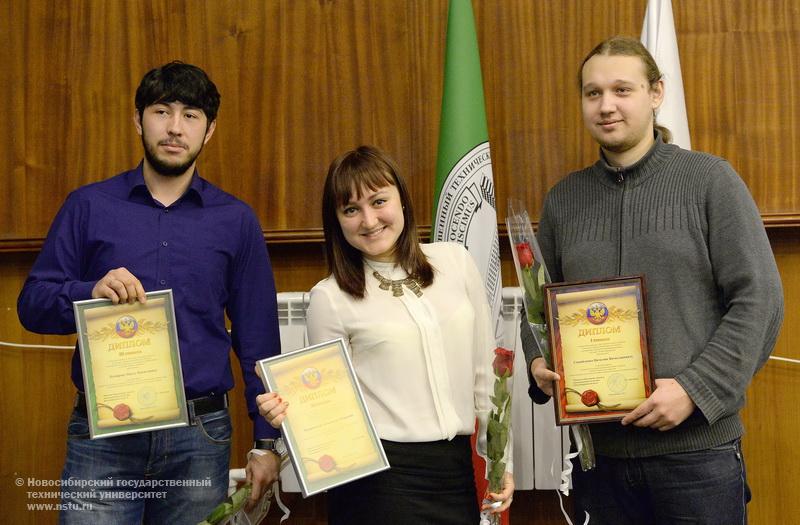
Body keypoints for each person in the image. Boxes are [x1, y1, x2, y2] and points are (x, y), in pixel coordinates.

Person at [520, 35, 784, 524]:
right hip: (599, 462)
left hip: (696, 461)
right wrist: (538, 358)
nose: (606, 105)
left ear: (656, 93)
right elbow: (537, 308)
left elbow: (760, 302)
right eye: (592, 93)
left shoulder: (710, 181)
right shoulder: (563, 200)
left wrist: (693, 389)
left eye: (622, 90)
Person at [17, 61, 283, 524]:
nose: (175, 128)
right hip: (104, 436)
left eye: (191, 115)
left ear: (210, 130)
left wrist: (266, 444)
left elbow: (257, 336)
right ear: (137, 120)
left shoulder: (236, 220)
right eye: (162, 111)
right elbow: (32, 304)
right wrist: (87, 291)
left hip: (199, 437)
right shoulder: (88, 206)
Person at [257, 145, 514, 524]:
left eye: (379, 201)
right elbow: (328, 410)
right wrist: (289, 416)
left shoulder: (455, 261)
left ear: (402, 201)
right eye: (351, 209)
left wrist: (499, 461)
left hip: (455, 473)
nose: (369, 220)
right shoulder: (330, 298)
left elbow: (484, 374)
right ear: (338, 222)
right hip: (380, 485)